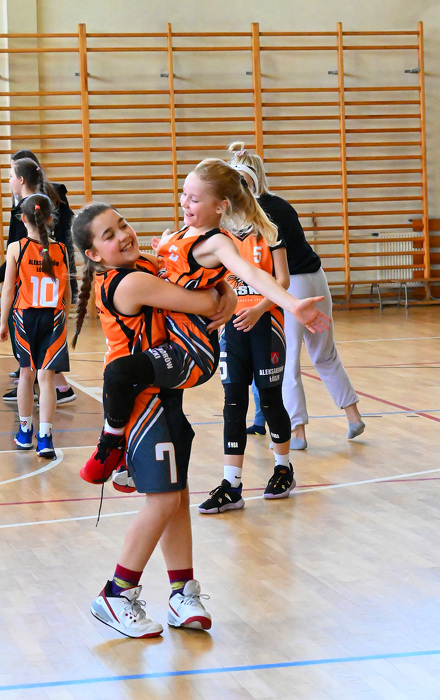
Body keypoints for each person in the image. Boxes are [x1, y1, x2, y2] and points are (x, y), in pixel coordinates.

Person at [71, 202, 233, 638]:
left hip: (163, 392)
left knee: (176, 496)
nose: (123, 234)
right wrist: (223, 295)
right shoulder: (129, 281)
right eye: (108, 235)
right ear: (94, 255)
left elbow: (208, 284)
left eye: (122, 224)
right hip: (141, 403)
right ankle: (116, 593)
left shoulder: (144, 263)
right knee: (162, 501)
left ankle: (182, 594)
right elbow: (201, 299)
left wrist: (228, 291)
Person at [144, 158, 329, 513]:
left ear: (220, 206)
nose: (184, 202)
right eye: (184, 194)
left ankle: (283, 467)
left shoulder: (223, 241)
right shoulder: (180, 236)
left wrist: (291, 305)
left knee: (269, 400)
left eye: (194, 198)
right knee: (232, 404)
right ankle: (231, 484)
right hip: (225, 329)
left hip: (261, 325)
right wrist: (158, 253)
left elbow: (257, 275)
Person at [227, 142, 365, 448]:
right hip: (317, 278)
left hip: (294, 284)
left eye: (242, 183)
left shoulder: (258, 213)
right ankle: (353, 416)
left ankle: (297, 429)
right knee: (325, 353)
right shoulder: (280, 204)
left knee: (288, 359)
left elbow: (273, 267)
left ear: (252, 183)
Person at [1, 153, 77, 405]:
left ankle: (48, 387)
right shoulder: (44, 205)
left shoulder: (27, 212)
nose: (9, 180)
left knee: (33, 364)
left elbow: (16, 257)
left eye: (10, 175)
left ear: (21, 179)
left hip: (34, 297)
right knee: (41, 362)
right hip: (51, 296)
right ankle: (42, 386)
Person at [0, 194, 71, 459]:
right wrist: (64, 317)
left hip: (24, 318)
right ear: (51, 218)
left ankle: (24, 432)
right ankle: (46, 437)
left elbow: (8, 289)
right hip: (54, 317)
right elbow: (67, 292)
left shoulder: (16, 248)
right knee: (47, 378)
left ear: (23, 219)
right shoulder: (61, 249)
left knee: (26, 375)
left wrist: (2, 320)